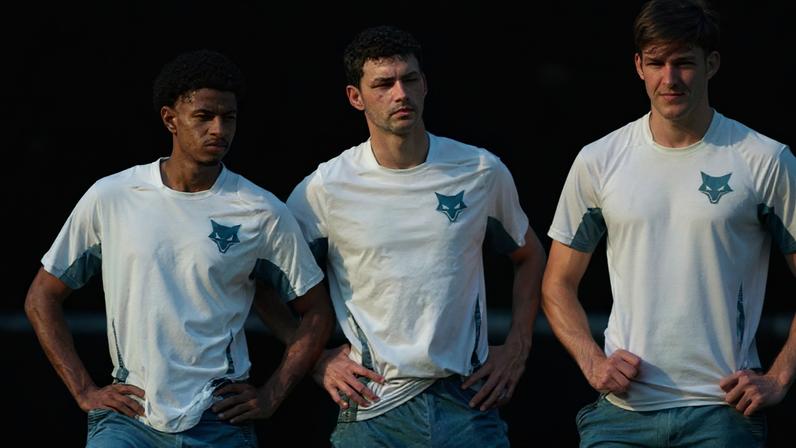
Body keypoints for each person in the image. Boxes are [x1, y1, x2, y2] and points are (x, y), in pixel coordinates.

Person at [24, 49, 334, 447]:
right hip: (129, 417)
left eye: (229, 117)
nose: (219, 129)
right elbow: (41, 297)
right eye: (204, 116)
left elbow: (317, 311)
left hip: (220, 418)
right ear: (171, 119)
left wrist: (272, 393)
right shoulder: (113, 196)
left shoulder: (261, 210)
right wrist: (84, 390)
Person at [541, 1, 796, 446]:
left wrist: (779, 377)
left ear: (712, 64)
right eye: (657, 63)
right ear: (639, 66)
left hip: (722, 414)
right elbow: (557, 283)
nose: (670, 79)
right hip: (621, 416)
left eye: (684, 63)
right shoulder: (599, 160)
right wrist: (592, 362)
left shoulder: (764, 160)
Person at [284, 25, 546, 447]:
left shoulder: (480, 171)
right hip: (373, 406)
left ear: (425, 84)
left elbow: (529, 254)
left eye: (409, 79)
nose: (400, 94)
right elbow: (261, 276)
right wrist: (313, 360)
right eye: (383, 84)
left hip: (467, 402)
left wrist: (517, 346)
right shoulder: (324, 189)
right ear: (356, 97)